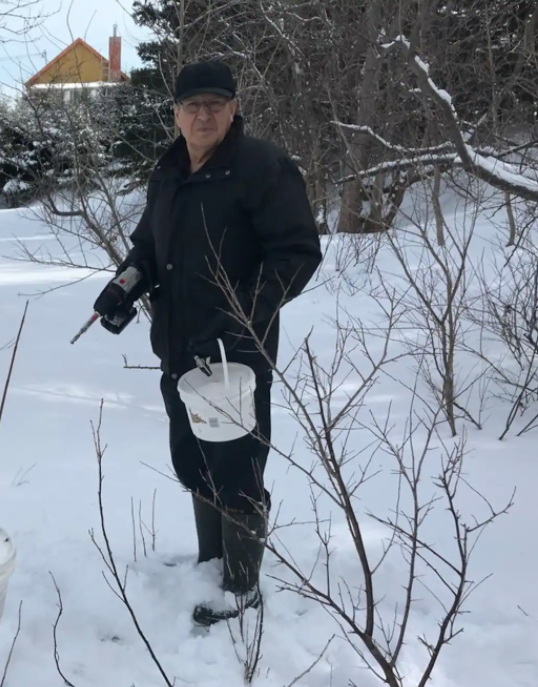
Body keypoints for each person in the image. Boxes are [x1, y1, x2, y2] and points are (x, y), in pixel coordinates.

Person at [94, 60, 323, 626]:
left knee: (237, 466)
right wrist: (123, 287)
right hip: (177, 346)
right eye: (192, 105)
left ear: (234, 108)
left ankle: (241, 586)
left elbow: (297, 254)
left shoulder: (263, 168)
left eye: (215, 104)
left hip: (234, 355)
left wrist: (240, 315)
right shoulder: (169, 170)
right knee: (194, 458)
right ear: (175, 113)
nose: (203, 115)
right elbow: (149, 245)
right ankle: (211, 563)